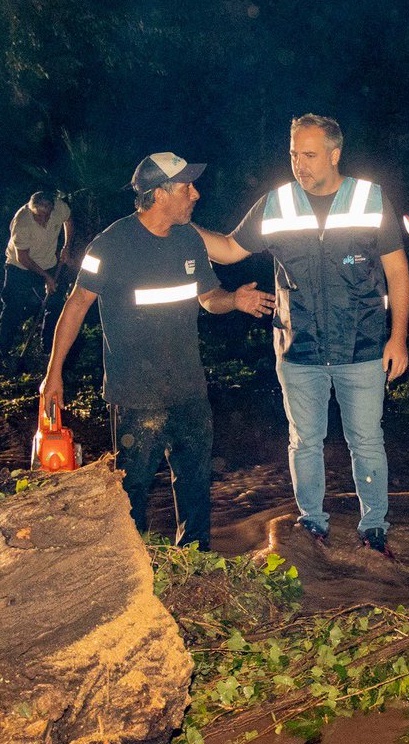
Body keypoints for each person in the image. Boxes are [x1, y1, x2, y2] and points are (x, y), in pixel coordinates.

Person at [195, 114, 409, 553]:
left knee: (366, 439)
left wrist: (399, 338)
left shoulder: (369, 198)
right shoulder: (276, 203)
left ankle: (374, 527)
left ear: (335, 154)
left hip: (363, 346)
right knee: (304, 440)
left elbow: (398, 271)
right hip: (299, 348)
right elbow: (230, 249)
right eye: (294, 154)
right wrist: (180, 224)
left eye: (309, 155)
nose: (300, 164)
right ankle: (312, 523)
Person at [40, 152, 275, 549]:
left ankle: (196, 560)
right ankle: (132, 564)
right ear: (160, 194)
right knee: (132, 490)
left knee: (196, 484)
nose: (196, 194)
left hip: (188, 388)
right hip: (136, 395)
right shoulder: (110, 245)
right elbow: (77, 304)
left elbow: (208, 297)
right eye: (187, 187)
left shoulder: (189, 239)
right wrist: (53, 372)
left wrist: (232, 300)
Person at [0, 191, 74, 368]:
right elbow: (23, 258)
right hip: (19, 268)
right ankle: (0, 348)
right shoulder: (22, 222)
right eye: (39, 216)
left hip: (49, 262)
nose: (43, 219)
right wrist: (46, 277)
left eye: (46, 215)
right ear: (31, 210)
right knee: (13, 305)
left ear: (52, 208)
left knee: (54, 304)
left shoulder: (59, 207)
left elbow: (69, 220)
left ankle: (49, 347)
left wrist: (66, 246)